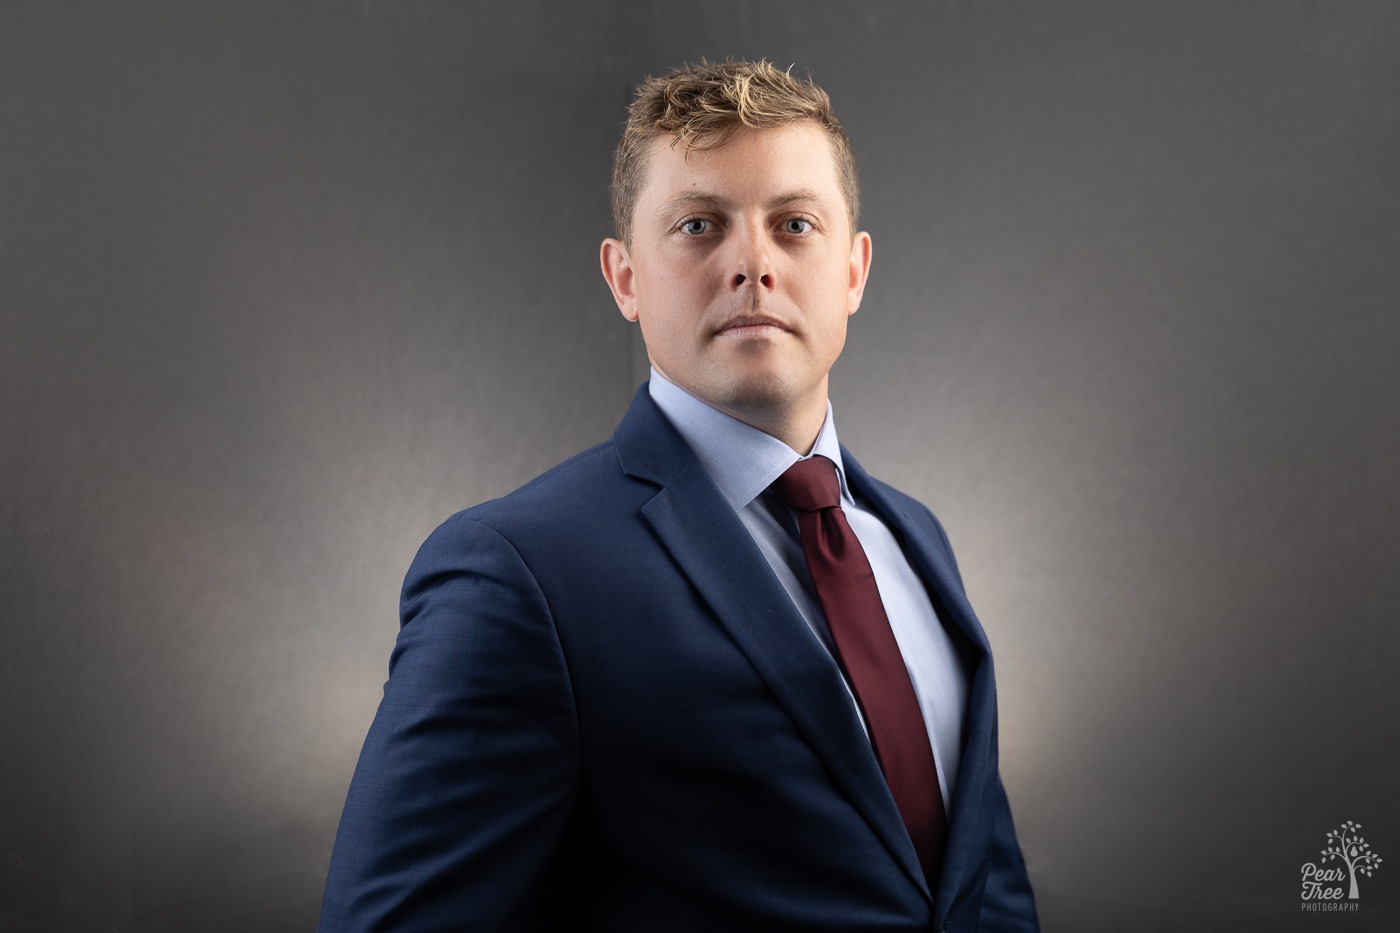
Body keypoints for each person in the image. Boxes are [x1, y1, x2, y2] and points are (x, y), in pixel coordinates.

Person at [319, 59, 1039, 932]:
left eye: (795, 224)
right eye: (700, 225)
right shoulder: (516, 577)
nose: (752, 263)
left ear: (854, 270)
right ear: (624, 277)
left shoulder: (914, 537)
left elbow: (981, 888)